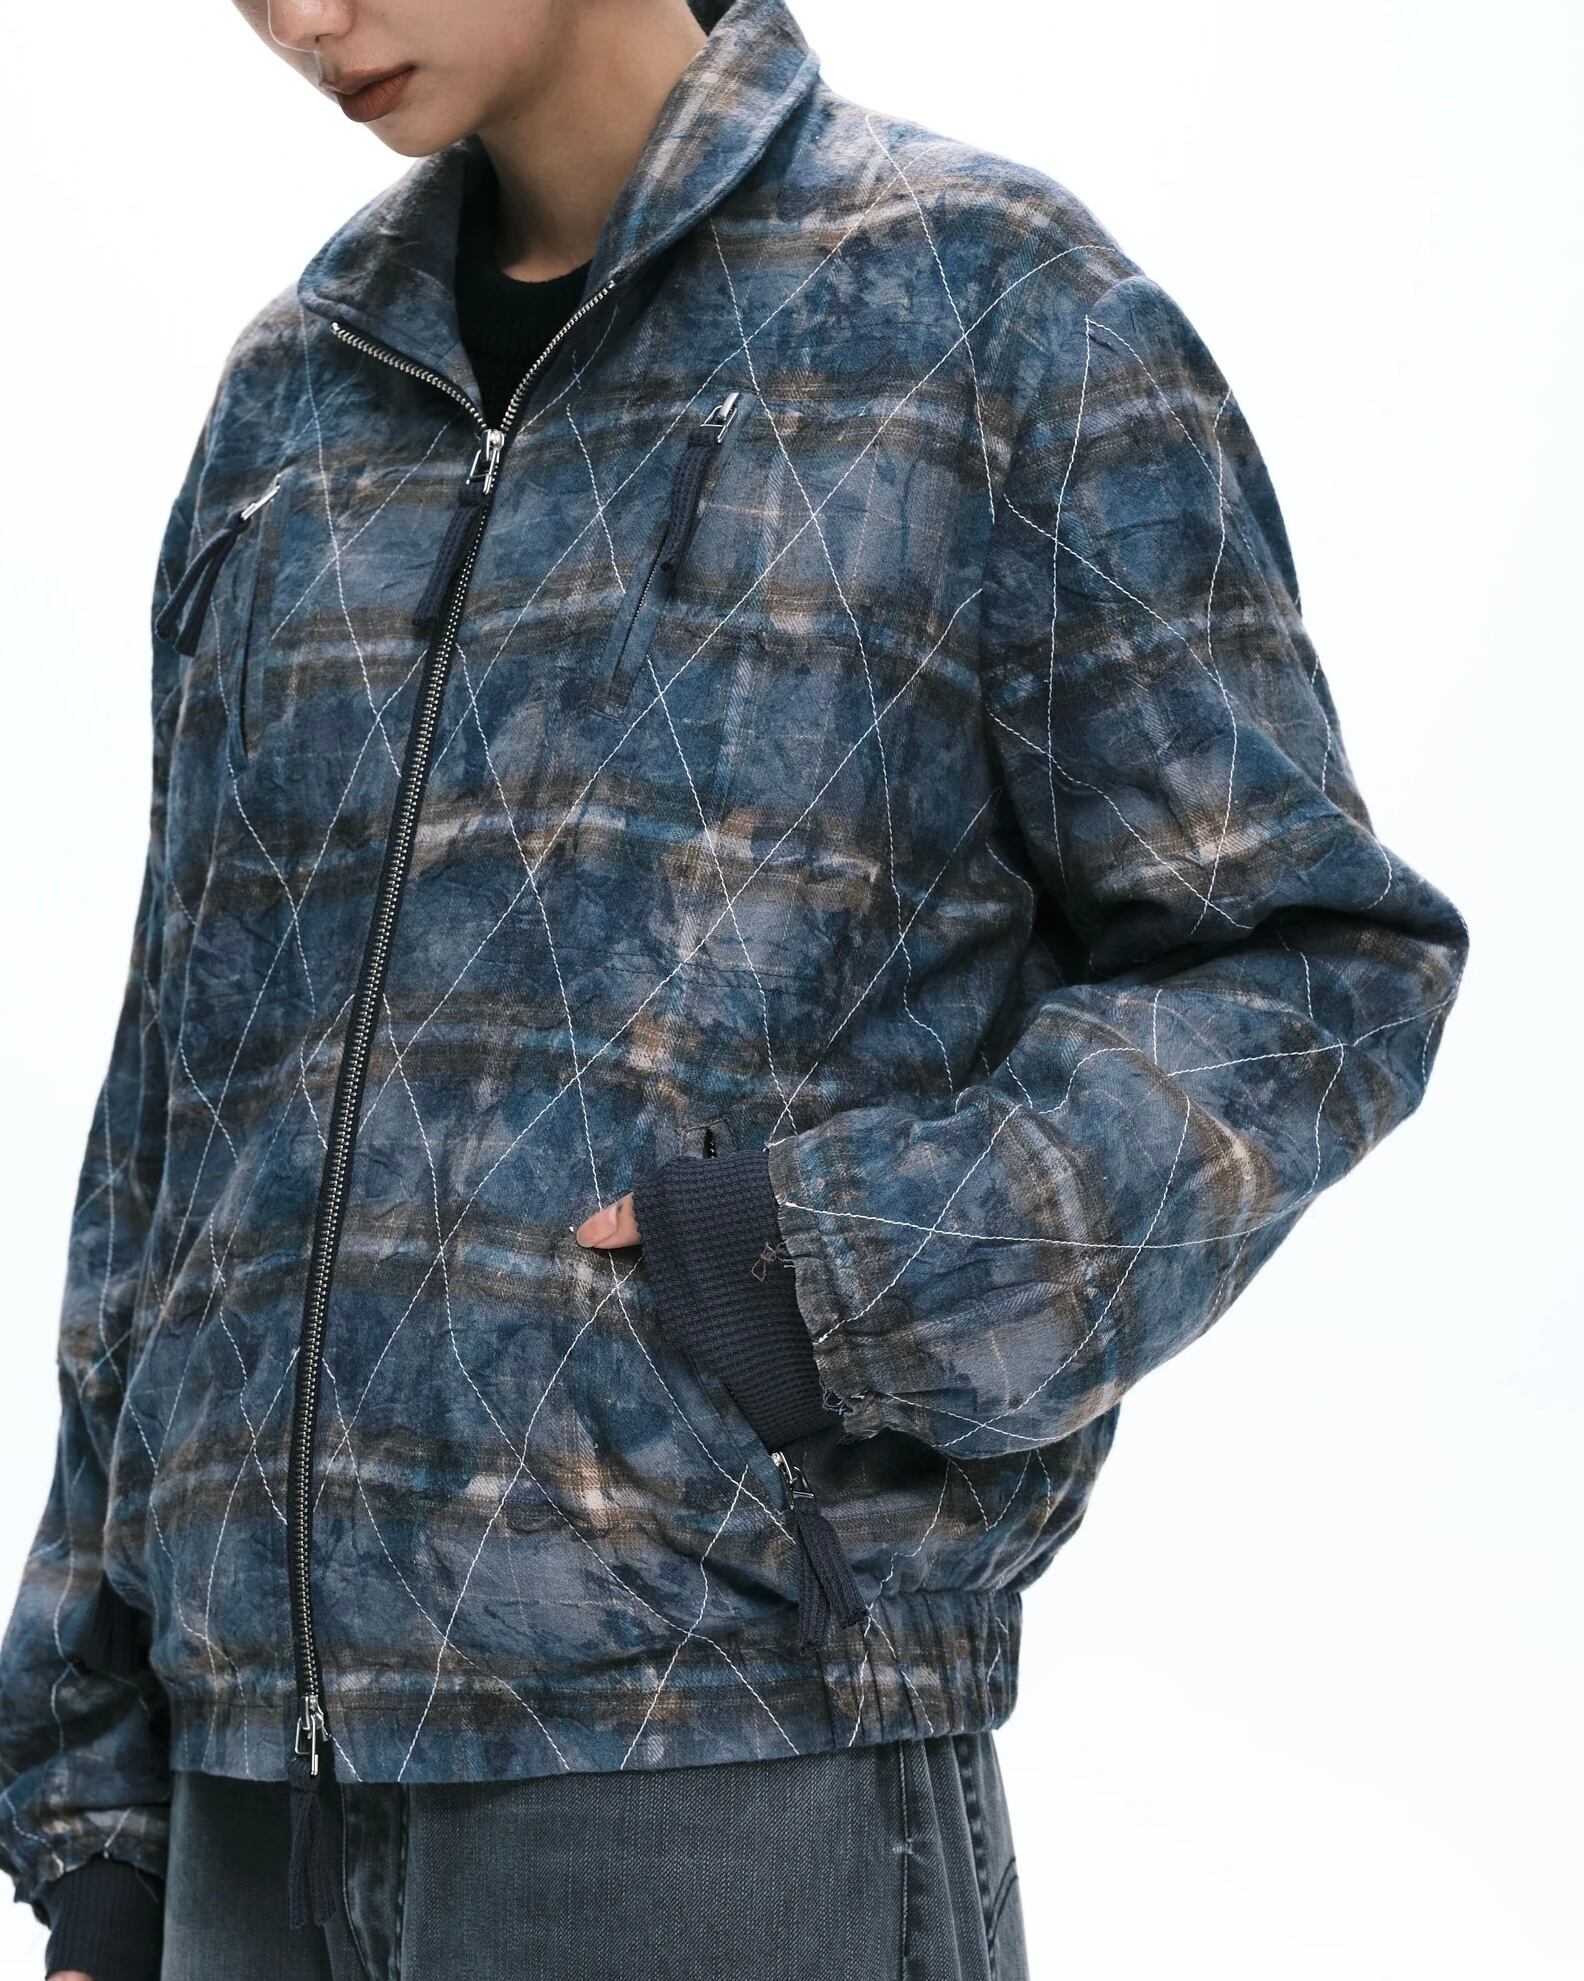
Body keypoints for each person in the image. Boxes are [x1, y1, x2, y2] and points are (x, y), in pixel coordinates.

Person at [0, 1, 1468, 1976]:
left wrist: (819, 1269)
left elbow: (1308, 970)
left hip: (716, 1773)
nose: (300, 19)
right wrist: (100, 1806)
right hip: (243, 1829)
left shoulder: (977, 305)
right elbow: (172, 1111)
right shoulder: (295, 398)